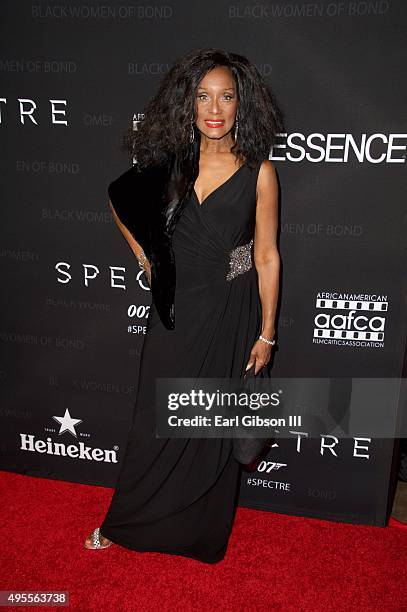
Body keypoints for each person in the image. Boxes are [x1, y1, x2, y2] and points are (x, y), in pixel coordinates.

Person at [84, 47, 282, 564]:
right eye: (203, 96)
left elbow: (266, 254)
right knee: (156, 418)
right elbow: (116, 197)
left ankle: (198, 533)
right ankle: (125, 521)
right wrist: (148, 259)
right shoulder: (167, 168)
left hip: (231, 311)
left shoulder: (260, 172)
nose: (214, 108)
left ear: (243, 105)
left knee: (209, 425)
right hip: (176, 312)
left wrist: (266, 333)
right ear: (188, 104)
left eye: (226, 96)